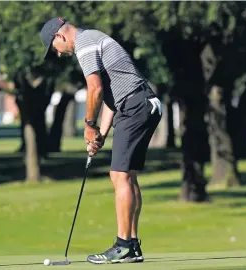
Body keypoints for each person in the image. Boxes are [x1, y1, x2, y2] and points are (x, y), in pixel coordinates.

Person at [40, 17, 162, 263]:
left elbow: (94, 89)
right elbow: (110, 100)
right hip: (141, 104)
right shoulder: (94, 39)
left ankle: (123, 245)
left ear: (60, 36)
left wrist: (88, 126)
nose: (60, 55)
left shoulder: (85, 43)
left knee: (119, 175)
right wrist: (99, 136)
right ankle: (133, 246)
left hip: (136, 106)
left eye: (55, 49)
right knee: (127, 175)